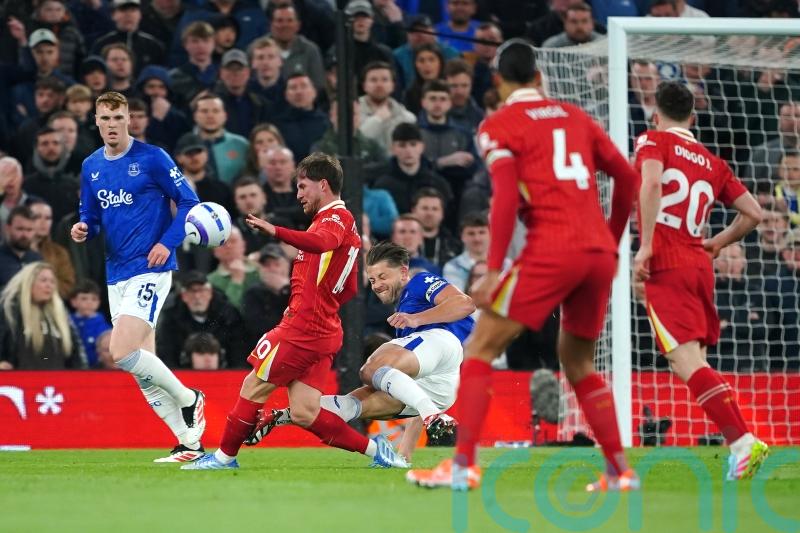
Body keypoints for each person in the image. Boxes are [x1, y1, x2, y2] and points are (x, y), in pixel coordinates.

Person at [407, 39, 641, 491]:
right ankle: (619, 471)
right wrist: (609, 241)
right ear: (540, 78)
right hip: (597, 256)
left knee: (479, 350)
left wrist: (493, 267)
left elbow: (507, 197)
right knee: (578, 363)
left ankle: (461, 466)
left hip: (550, 251)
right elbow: (628, 178)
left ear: (497, 81)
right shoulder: (578, 117)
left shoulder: (498, 125)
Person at [182, 153, 407, 470]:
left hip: (302, 329)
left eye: (303, 186)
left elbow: (320, 242)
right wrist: (324, 304)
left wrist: (275, 231)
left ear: (323, 185)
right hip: (324, 328)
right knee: (304, 411)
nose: (298, 194)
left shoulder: (335, 220)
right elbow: (352, 289)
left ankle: (223, 457)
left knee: (254, 386)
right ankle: (378, 451)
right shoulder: (342, 226)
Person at [632, 81, 768, 481]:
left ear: (656, 114)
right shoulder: (713, 161)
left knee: (685, 359)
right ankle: (738, 444)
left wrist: (646, 245)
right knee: (690, 360)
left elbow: (653, 182)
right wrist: (718, 243)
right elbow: (754, 213)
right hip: (698, 261)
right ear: (693, 117)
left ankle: (743, 441)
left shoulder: (652, 140)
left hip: (668, 260)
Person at [70, 91, 206, 463]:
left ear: (129, 119)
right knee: (142, 368)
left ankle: (190, 399)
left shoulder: (152, 158)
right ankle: (189, 444)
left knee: (121, 350)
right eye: (105, 119)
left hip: (151, 267)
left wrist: (168, 242)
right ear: (95, 122)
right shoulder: (91, 166)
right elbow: (92, 215)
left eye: (118, 118)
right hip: (116, 274)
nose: (112, 125)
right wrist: (84, 227)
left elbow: (190, 202)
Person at [246, 242, 474, 462]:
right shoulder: (403, 319)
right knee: (349, 406)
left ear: (403, 272)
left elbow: (465, 304)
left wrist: (416, 319)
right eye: (373, 280)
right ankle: (278, 417)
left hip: (442, 342)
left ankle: (433, 415)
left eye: (383, 277)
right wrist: (405, 453)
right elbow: (414, 392)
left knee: (371, 370)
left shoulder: (419, 282)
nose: (377, 285)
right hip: (442, 391)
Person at [0, 262, 86, 370]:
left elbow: (76, 354)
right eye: (43, 280)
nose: (49, 285)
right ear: (28, 282)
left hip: (58, 383)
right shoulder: (9, 311)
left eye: (52, 281)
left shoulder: (61, 315)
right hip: (21, 382)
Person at [69, 279, 113, 368]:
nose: (89, 303)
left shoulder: (106, 329)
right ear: (73, 302)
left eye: (94, 299)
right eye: (84, 298)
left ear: (99, 302)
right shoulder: (67, 325)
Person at [0, 206, 42, 287]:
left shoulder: (38, 260)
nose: (25, 235)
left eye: (29, 230)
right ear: (7, 228)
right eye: (20, 229)